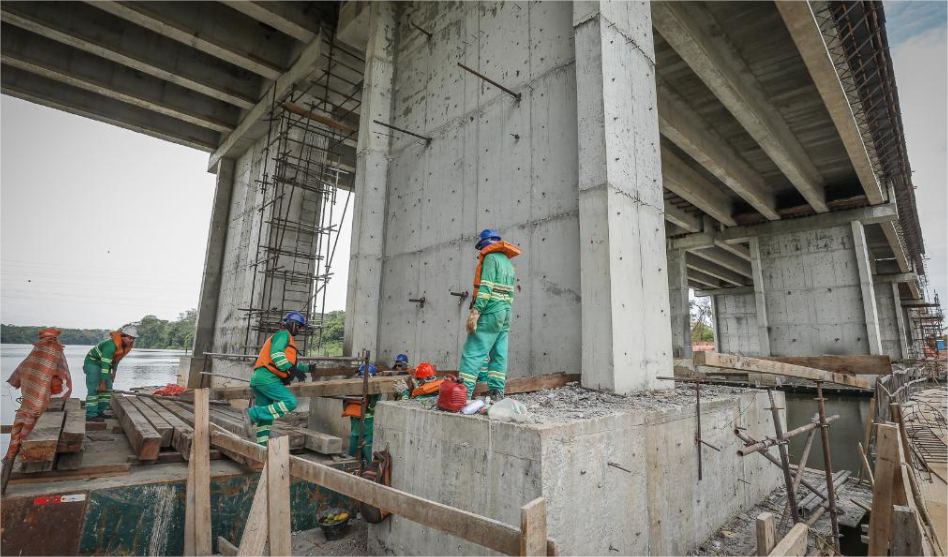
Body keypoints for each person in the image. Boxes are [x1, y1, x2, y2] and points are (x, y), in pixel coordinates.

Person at [2, 328, 72, 493]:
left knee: (20, 431)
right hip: (39, 406)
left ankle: (9, 465)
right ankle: (18, 460)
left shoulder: (33, 354)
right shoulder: (56, 354)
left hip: (28, 405)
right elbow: (64, 381)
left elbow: (17, 376)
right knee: (31, 428)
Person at [457, 229, 521, 399]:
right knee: (499, 352)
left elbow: (485, 288)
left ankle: (462, 394)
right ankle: (497, 392)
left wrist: (476, 311)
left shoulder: (491, 258)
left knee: (473, 350)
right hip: (506, 311)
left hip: (491, 309)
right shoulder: (508, 262)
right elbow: (510, 293)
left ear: (484, 244)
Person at [241, 311, 310, 446]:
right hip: (268, 378)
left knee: (266, 419)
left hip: (260, 379)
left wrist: (307, 369)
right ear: (293, 324)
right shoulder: (284, 335)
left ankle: (262, 445)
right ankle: (252, 414)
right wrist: (290, 369)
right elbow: (276, 354)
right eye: (299, 326)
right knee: (290, 402)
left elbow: (291, 363)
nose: (300, 330)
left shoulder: (283, 338)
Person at [84, 325, 137, 420]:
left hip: (105, 364)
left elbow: (116, 360)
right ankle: (91, 415)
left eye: (133, 338)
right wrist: (102, 382)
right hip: (93, 362)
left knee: (108, 389)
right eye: (130, 338)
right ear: (122, 336)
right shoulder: (110, 345)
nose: (131, 340)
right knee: (95, 388)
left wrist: (114, 372)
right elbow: (105, 365)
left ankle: (99, 412)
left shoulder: (125, 346)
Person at [342, 363, 380, 462]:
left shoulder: (375, 392)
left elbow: (372, 406)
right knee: (352, 458)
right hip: (356, 428)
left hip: (367, 429)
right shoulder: (353, 390)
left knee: (368, 458)